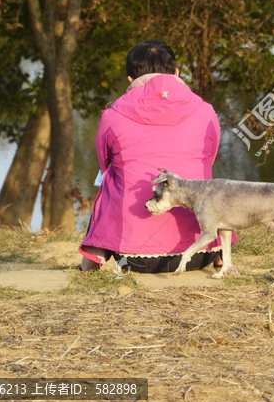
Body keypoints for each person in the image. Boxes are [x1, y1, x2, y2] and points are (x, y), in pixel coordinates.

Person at [79, 40, 236, 273]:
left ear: (131, 80)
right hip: (201, 255)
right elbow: (209, 158)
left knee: (109, 176)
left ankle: (90, 263)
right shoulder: (206, 111)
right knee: (204, 177)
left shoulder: (112, 115)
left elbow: (104, 162)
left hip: (132, 260)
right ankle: (221, 257)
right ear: (176, 73)